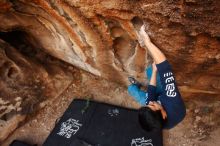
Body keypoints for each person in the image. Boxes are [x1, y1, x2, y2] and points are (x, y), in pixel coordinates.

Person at [128, 25, 186, 131]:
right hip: (167, 101)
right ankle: (137, 85)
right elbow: (165, 69)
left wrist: (154, 71)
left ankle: (135, 85)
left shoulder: (154, 115)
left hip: (161, 102)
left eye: (148, 106)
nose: (150, 103)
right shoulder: (173, 101)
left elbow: (151, 94)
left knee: (134, 89)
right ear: (163, 115)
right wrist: (147, 42)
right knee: (154, 74)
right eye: (152, 106)